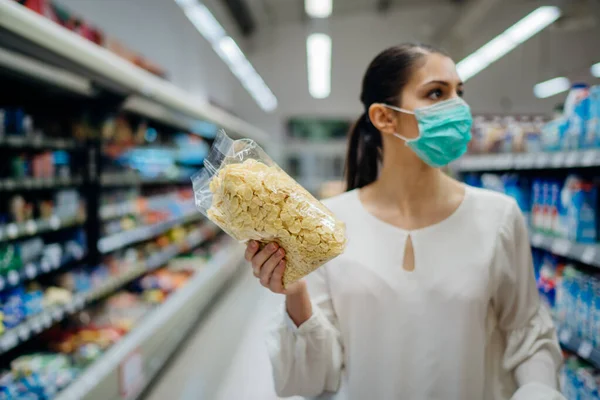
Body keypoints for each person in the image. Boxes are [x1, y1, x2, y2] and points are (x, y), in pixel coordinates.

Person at [244, 43, 563, 400]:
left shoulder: (499, 216)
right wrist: (297, 295)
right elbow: (318, 377)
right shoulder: (328, 224)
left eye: (460, 92)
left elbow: (528, 333)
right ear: (384, 117)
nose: (459, 108)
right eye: (437, 93)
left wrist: (539, 390)